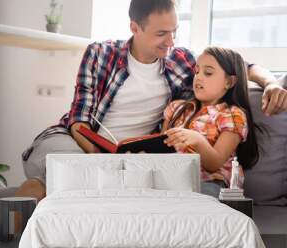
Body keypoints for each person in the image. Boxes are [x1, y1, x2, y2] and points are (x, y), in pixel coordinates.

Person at [15, 0, 287, 202]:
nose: (171, 42)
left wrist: (271, 83)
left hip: (132, 154)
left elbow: (240, 66)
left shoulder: (180, 60)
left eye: (174, 31)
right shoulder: (100, 53)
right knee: (69, 170)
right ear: (135, 28)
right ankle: (18, 240)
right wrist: (100, 158)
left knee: (88, 181)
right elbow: (79, 122)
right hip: (78, 141)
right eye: (161, 34)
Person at [162, 47, 259, 197]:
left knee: (202, 197)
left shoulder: (232, 115)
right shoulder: (177, 108)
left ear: (229, 82)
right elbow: (160, 148)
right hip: (171, 181)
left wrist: (197, 141)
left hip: (211, 183)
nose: (198, 77)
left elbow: (214, 164)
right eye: (197, 71)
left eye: (208, 73)